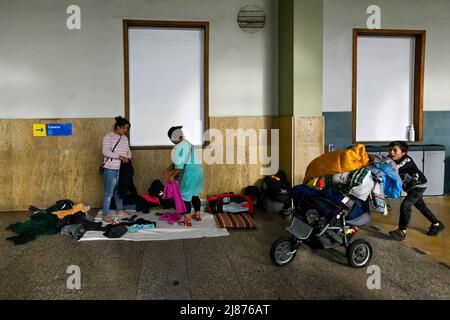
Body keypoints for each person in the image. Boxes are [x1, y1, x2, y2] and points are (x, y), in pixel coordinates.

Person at [387, 141, 445, 240]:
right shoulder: (390, 159)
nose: (391, 152)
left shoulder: (406, 159)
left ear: (403, 153)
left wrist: (384, 165)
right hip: (410, 188)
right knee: (421, 207)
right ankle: (436, 224)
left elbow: (395, 168)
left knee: (405, 205)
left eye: (395, 150)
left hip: (419, 185)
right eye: (390, 150)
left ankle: (402, 231)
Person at [163, 126, 204, 227]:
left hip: (189, 173)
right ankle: (198, 215)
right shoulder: (188, 143)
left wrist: (171, 176)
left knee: (185, 196)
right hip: (198, 171)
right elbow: (178, 162)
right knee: (194, 194)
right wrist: (167, 170)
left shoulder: (179, 147)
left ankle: (187, 220)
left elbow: (179, 167)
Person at [101, 116, 132, 223]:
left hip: (122, 169)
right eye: (124, 128)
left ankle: (120, 210)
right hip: (110, 169)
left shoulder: (125, 138)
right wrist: (120, 157)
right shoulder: (108, 137)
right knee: (108, 193)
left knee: (119, 191)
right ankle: (105, 214)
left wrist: (128, 157)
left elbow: (128, 151)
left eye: (127, 129)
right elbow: (105, 151)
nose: (125, 130)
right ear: (118, 127)